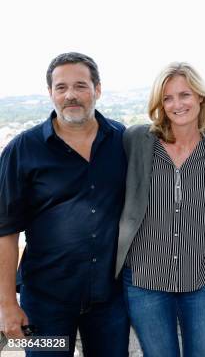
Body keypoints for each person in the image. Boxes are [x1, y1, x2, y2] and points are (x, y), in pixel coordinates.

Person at [0, 52, 129, 356]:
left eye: (80, 86)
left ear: (97, 89)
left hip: (110, 299)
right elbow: (5, 230)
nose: (70, 95)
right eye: (61, 87)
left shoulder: (122, 140)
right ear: (51, 93)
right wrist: (7, 304)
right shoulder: (22, 149)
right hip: (45, 303)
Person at [115, 62, 205, 357]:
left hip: (202, 279)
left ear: (201, 98)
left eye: (185, 95)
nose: (177, 104)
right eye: (167, 98)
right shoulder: (137, 140)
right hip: (145, 280)